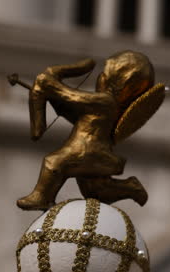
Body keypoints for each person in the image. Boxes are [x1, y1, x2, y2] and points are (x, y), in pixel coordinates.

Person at [15, 51, 155, 210]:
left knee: (53, 163)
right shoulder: (101, 105)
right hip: (86, 150)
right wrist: (55, 100)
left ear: (120, 83)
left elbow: (72, 97)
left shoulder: (105, 101)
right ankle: (130, 188)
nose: (100, 77)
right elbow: (77, 116)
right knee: (95, 191)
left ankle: (42, 198)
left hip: (89, 151)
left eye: (104, 75)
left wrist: (51, 85)